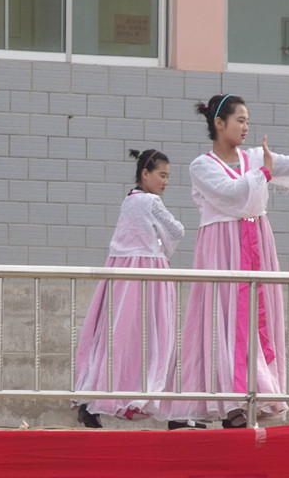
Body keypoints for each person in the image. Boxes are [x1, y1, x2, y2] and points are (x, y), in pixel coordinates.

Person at [170, 94, 289, 428]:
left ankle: (252, 397)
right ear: (219, 123)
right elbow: (232, 195)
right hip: (221, 249)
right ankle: (229, 403)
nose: (246, 127)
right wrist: (263, 176)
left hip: (256, 242)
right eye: (240, 120)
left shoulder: (256, 157)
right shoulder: (202, 166)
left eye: (248, 121)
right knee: (223, 320)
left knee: (256, 320)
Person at [73, 149, 184, 429]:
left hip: (122, 276)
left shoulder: (129, 200)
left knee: (116, 337)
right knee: (157, 337)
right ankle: (164, 403)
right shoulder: (150, 202)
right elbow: (177, 231)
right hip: (149, 276)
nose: (165, 181)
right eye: (161, 175)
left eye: (167, 177)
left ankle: (95, 398)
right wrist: (160, 248)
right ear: (145, 174)